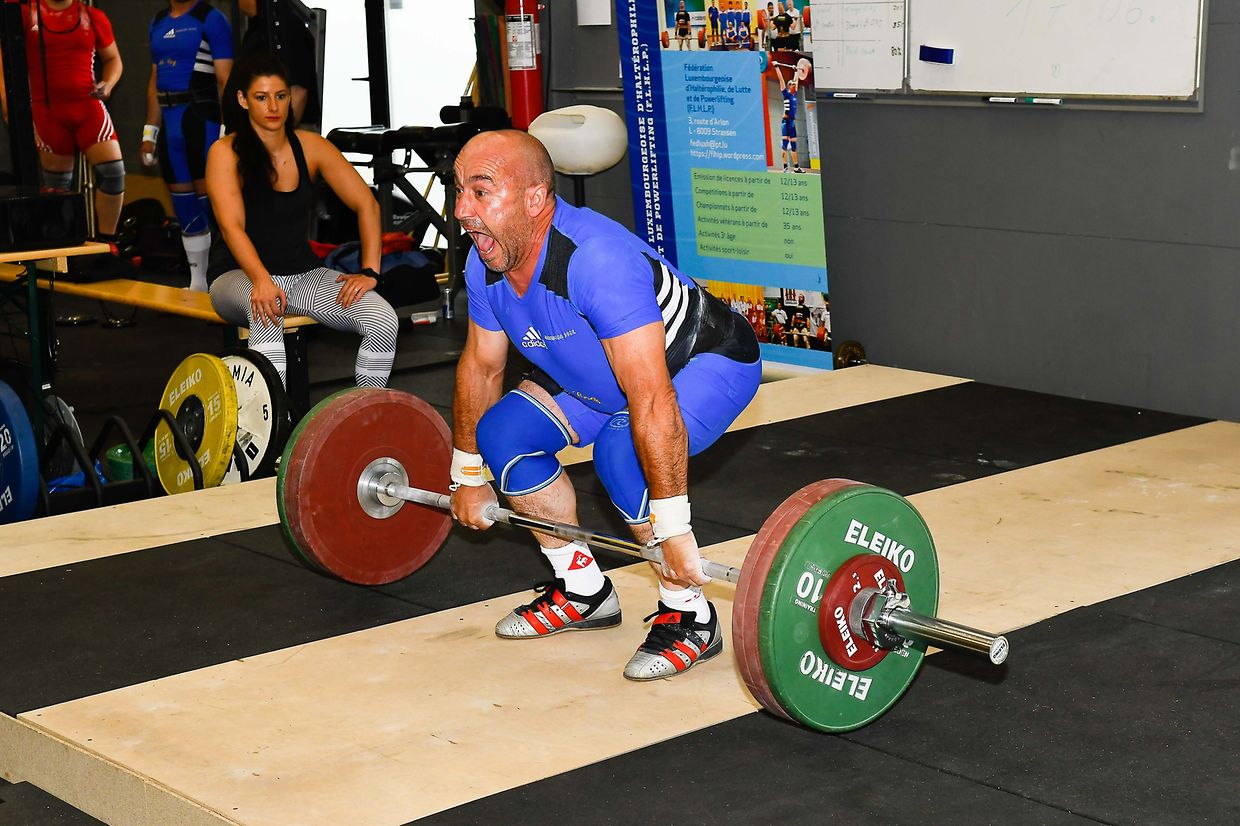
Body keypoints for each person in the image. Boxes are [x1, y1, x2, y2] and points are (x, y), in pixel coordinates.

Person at [449, 130, 762, 681]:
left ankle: (690, 614)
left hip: (701, 363)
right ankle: (583, 590)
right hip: (598, 374)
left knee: (624, 453)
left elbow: (651, 395)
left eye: (481, 192)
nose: (461, 212)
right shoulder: (486, 263)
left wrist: (674, 530)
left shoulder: (596, 261)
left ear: (535, 199)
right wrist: (466, 474)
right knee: (503, 438)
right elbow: (482, 366)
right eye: (459, 192)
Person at [205, 52, 399, 389]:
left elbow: (367, 204)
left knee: (382, 317)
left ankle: (364, 417)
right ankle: (272, 431)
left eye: (280, 96)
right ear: (242, 100)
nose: (273, 106)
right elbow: (231, 227)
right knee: (266, 310)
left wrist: (370, 272)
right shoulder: (225, 152)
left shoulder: (312, 147)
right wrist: (261, 279)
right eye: (261, 97)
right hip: (236, 277)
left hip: (300, 274)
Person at [0, 0, 125, 241]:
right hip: (47, 112)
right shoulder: (27, 14)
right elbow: (4, 57)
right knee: (58, 187)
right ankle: (63, 247)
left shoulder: (92, 16)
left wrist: (107, 85)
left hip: (87, 106)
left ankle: (107, 244)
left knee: (113, 173)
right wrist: (7, 100)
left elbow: (113, 59)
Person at [142, 0, 234, 291]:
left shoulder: (211, 19)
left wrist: (228, 128)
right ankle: (198, 283)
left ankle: (227, 277)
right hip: (170, 126)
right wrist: (149, 132)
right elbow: (154, 80)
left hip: (201, 121)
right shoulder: (157, 21)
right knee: (182, 201)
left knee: (213, 200)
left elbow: (225, 80)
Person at [236, 0, 319, 126]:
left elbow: (298, 91)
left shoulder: (288, 28)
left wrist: (280, 139)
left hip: (285, 136)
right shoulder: (257, 29)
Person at [775, 63, 804, 172]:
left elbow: (796, 80)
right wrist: (777, 67)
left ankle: (796, 168)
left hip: (792, 122)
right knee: (785, 144)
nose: (794, 84)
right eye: (792, 84)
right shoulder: (786, 93)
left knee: (794, 145)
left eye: (794, 83)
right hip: (786, 122)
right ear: (789, 86)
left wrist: (796, 71)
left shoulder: (794, 95)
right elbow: (781, 79)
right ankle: (785, 167)